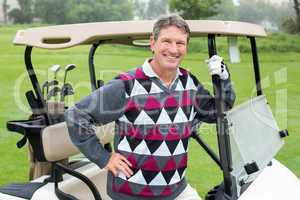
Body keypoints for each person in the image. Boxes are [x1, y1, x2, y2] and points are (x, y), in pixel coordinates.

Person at [65, 15, 235, 200]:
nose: (173, 49)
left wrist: (224, 79)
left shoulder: (189, 83)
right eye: (166, 41)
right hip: (133, 194)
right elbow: (77, 115)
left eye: (180, 43)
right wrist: (104, 158)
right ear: (153, 43)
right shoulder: (128, 85)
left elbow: (217, 111)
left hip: (176, 190)